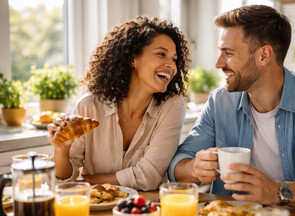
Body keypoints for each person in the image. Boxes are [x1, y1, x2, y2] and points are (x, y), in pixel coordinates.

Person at [168, 5, 295, 209]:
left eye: (228, 53)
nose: (218, 63)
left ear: (264, 55)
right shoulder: (220, 102)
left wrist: (279, 191)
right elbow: (178, 164)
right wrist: (195, 168)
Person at [48, 16, 191, 191]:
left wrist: (90, 181)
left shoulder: (172, 107)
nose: (171, 65)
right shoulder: (89, 106)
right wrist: (61, 151)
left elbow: (149, 176)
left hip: (145, 210)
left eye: (174, 59)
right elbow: (64, 181)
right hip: (97, 212)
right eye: (161, 54)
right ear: (133, 58)